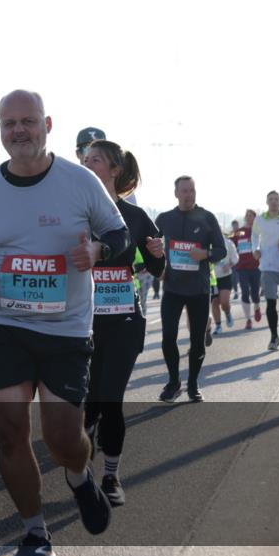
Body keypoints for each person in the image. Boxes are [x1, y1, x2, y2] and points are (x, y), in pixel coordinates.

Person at [0, 90, 129, 556]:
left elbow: (119, 233)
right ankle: (34, 534)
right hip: (4, 325)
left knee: (63, 437)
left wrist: (98, 251)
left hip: (66, 328)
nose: (18, 131)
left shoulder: (79, 181)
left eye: (28, 121)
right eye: (9, 124)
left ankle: (78, 475)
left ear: (47, 125)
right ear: (0, 130)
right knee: (10, 432)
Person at [81, 140, 164, 507]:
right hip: (81, 323)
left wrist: (158, 254)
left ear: (114, 170)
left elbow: (157, 268)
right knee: (87, 404)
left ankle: (111, 476)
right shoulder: (75, 212)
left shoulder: (135, 216)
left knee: (111, 400)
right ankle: (82, 470)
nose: (87, 164)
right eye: (84, 160)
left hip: (124, 321)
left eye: (95, 160)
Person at [154, 176, 227, 402]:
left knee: (197, 340)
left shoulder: (207, 217)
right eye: (185, 191)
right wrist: (158, 268)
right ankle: (174, 382)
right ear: (176, 193)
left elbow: (221, 250)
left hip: (198, 289)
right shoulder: (164, 219)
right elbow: (150, 247)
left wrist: (205, 254)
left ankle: (193, 385)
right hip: (173, 288)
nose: (189, 195)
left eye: (192, 190)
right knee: (168, 337)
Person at [252, 192, 279, 350]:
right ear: (266, 202)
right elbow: (254, 236)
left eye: (276, 199)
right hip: (267, 265)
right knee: (270, 301)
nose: (273, 202)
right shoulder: (260, 219)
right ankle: (273, 336)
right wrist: (255, 249)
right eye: (271, 199)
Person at [232, 209, 261, 329]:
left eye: (251, 216)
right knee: (244, 292)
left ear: (255, 218)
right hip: (242, 267)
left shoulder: (258, 232)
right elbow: (230, 244)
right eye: (247, 216)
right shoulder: (239, 232)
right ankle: (248, 319)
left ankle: (257, 308)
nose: (248, 217)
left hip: (256, 266)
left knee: (255, 293)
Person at [210, 234, 239, 335]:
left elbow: (235, 258)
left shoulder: (228, 242)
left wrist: (229, 265)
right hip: (212, 278)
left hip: (225, 276)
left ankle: (227, 312)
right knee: (214, 302)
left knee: (224, 302)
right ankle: (218, 326)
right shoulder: (206, 242)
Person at [228, 219, 241, 300]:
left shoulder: (241, 233)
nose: (235, 227)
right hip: (233, 257)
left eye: (236, 225)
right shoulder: (230, 234)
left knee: (241, 275)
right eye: (234, 225)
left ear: (238, 225)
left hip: (242, 257)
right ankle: (236, 292)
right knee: (234, 276)